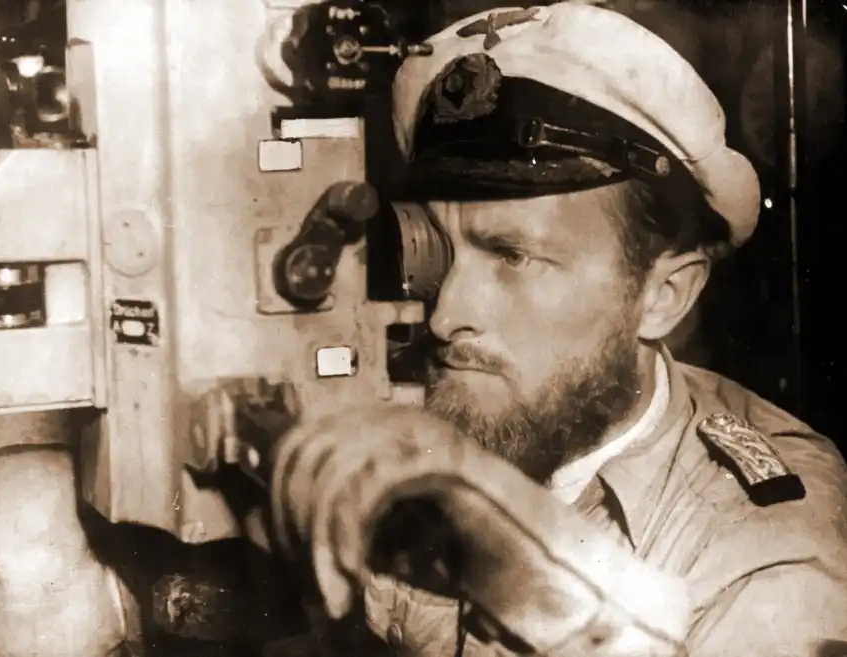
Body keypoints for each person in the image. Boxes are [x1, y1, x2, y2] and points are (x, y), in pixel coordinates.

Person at [268, 3, 847, 656]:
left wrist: (513, 557)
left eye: (513, 257)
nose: (445, 315)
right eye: (439, 251)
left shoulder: (764, 546)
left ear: (663, 296)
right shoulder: (415, 426)